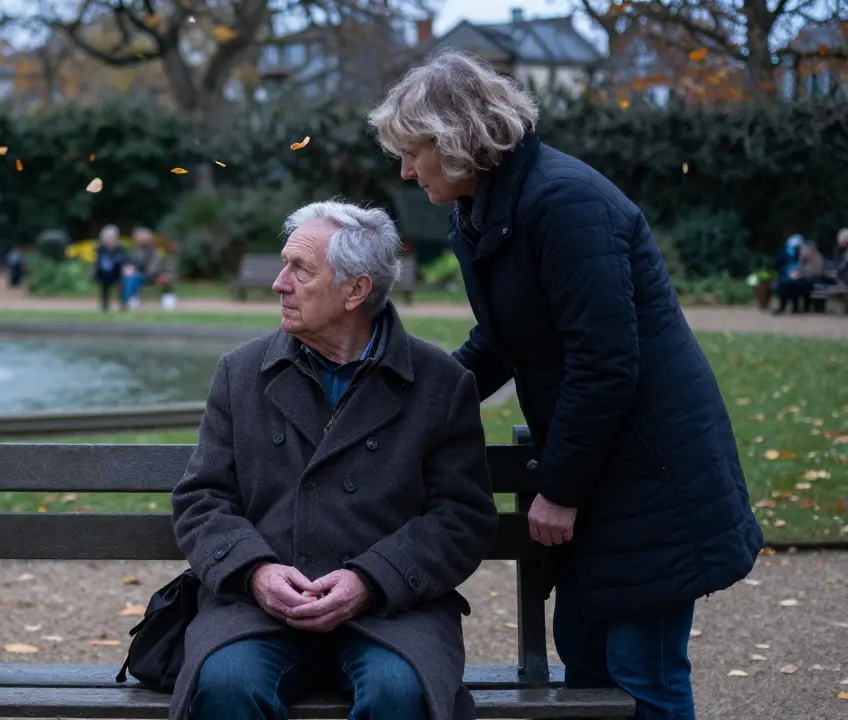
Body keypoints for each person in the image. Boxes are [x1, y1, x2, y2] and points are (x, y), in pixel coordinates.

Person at [368, 49, 763, 720]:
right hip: (606, 466)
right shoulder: (487, 212)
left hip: (651, 471)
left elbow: (605, 361)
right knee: (586, 663)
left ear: (459, 140)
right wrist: (416, 400)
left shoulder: (564, 201)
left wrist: (559, 489)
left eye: (414, 151)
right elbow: (504, 338)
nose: (404, 170)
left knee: (643, 673)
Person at [169, 200, 500, 720]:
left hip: (393, 610)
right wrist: (255, 572)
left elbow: (462, 517)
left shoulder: (441, 384)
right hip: (259, 610)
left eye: (300, 269)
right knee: (226, 685)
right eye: (284, 265)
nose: (279, 282)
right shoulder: (241, 372)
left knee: (400, 692)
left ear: (355, 291)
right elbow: (201, 497)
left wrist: (370, 581)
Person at [121, 226, 159, 309]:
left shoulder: (153, 251)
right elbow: (129, 262)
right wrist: (128, 268)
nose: (140, 241)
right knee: (129, 278)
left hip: (148, 275)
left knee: (133, 278)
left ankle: (127, 300)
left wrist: (142, 272)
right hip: (134, 274)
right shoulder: (134, 250)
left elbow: (154, 266)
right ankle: (129, 300)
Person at [94, 224, 127, 312]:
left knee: (121, 282)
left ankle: (123, 304)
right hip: (104, 273)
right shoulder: (101, 249)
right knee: (104, 281)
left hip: (117, 272)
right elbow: (99, 262)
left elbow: (124, 259)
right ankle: (105, 304)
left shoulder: (120, 248)